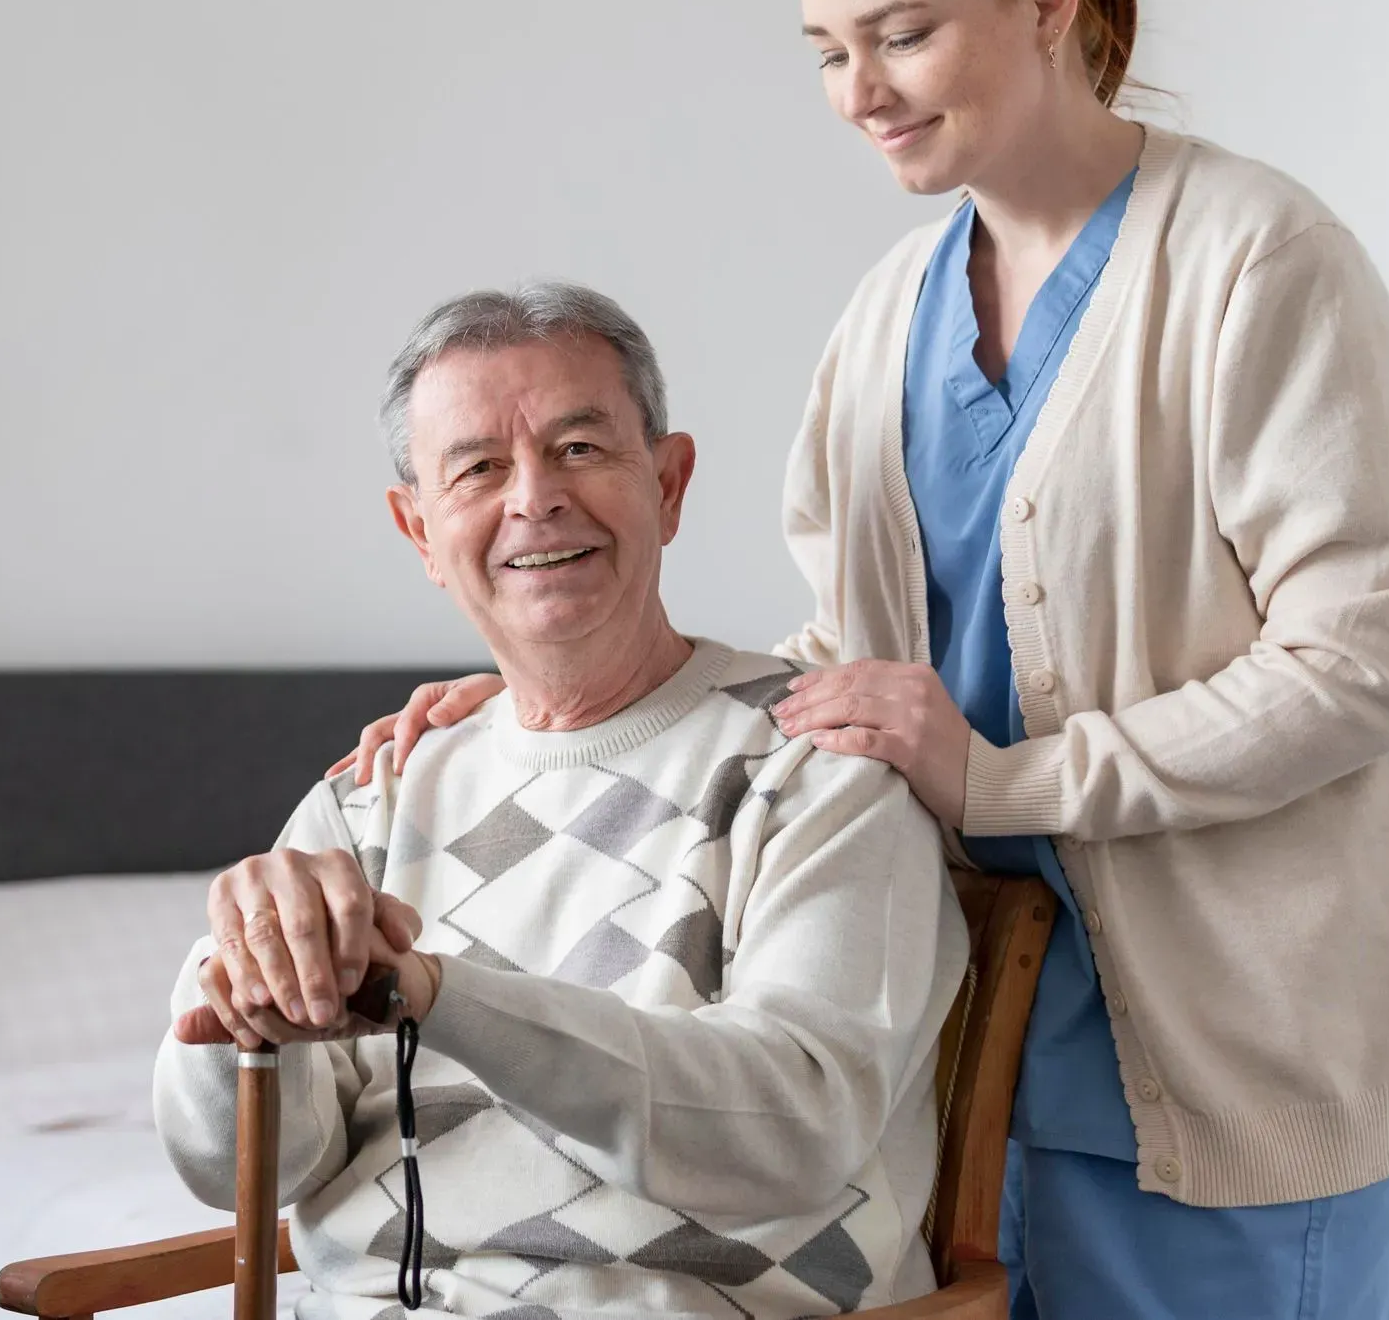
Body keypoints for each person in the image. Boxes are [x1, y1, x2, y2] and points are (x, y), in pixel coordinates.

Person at [335, 0, 1389, 1320]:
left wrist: (1002, 782)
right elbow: (842, 679)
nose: (857, 93)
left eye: (902, 35)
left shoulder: (1256, 262)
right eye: (823, 51)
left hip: (1237, 1044)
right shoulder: (890, 314)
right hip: (967, 1059)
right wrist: (547, 680)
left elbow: (1358, 669)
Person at [157, 284, 969, 1320]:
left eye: (579, 448)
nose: (533, 498)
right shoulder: (369, 797)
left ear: (668, 483)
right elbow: (256, 1170)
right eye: (477, 468)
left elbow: (793, 1125)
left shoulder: (815, 768)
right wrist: (236, 987)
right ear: (418, 527)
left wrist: (440, 995)